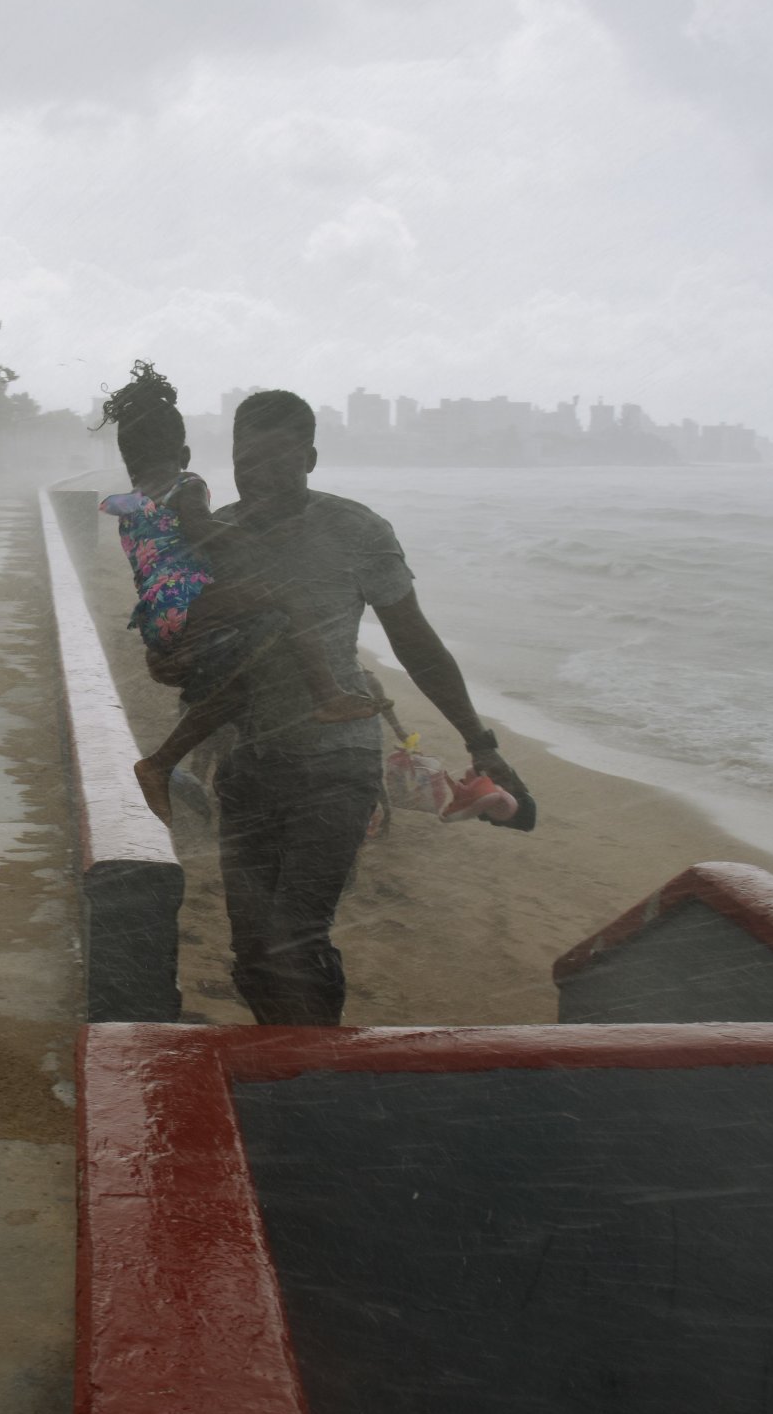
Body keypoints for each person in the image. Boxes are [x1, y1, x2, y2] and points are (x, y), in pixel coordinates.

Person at [202, 388, 532, 1026]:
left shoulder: (357, 531)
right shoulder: (219, 537)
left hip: (338, 762)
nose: (261, 474)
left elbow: (417, 644)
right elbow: (209, 657)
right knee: (250, 953)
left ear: (311, 458)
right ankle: (290, 1063)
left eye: (279, 459)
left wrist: (479, 741)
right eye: (247, 458)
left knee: (296, 937)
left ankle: (318, 1074)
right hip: (249, 765)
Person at [95, 363, 382, 820]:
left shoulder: (127, 505)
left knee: (234, 688)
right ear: (185, 452)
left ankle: (161, 762)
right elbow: (203, 531)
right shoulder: (187, 486)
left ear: (128, 460)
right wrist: (259, 540)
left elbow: (155, 546)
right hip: (188, 603)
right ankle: (329, 695)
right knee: (289, 598)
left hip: (155, 615)